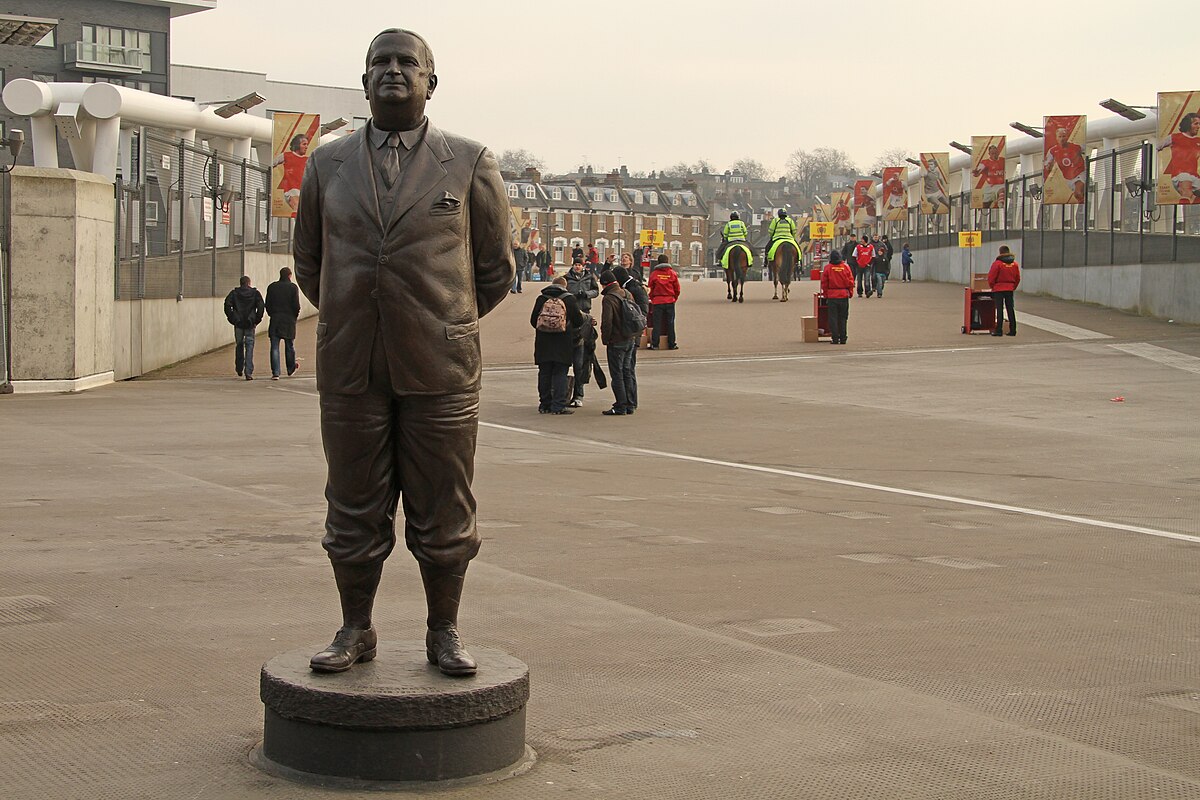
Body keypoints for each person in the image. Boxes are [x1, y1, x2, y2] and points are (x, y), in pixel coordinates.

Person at [293, 28, 515, 677]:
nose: (392, 71)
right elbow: (310, 263)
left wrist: (441, 323)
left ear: (430, 83)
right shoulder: (326, 164)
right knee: (352, 503)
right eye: (379, 63)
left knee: (444, 504)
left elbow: (495, 271)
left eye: (405, 63)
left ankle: (443, 630)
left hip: (441, 368)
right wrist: (357, 315)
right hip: (351, 366)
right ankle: (355, 628)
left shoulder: (471, 162)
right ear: (364, 82)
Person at [531, 276, 583, 414]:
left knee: (544, 373)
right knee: (560, 373)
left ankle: (544, 404)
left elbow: (533, 321)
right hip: (563, 341)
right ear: (565, 286)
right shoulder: (569, 299)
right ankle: (558, 406)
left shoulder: (541, 299)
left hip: (543, 342)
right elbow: (578, 321)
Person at [598, 269, 637, 416]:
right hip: (630, 338)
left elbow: (607, 322)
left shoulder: (609, 298)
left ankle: (620, 405)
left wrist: (605, 339)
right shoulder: (627, 293)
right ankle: (630, 404)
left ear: (604, 284)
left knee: (617, 374)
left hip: (617, 340)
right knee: (627, 371)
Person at [565, 257, 599, 407]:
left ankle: (579, 394)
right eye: (575, 265)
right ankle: (564, 392)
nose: (577, 267)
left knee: (581, 361)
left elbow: (596, 291)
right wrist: (573, 295)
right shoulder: (566, 278)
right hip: (570, 314)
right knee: (567, 360)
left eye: (579, 265)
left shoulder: (589, 277)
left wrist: (586, 294)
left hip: (585, 312)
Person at [613, 261, 646, 411]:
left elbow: (642, 313)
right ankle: (628, 400)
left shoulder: (636, 288)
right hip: (630, 333)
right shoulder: (628, 286)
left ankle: (631, 401)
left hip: (632, 333)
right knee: (626, 369)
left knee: (628, 369)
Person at [223, 275, 265, 380]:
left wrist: (232, 318)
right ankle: (248, 372)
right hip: (250, 323)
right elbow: (261, 307)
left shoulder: (234, 293)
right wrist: (257, 320)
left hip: (238, 323)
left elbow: (227, 305)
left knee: (239, 345)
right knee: (249, 346)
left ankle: (239, 367)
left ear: (241, 283)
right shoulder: (255, 293)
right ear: (249, 283)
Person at [265, 267, 301, 380]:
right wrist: (294, 316)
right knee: (289, 345)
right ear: (290, 275)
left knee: (274, 347)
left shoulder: (272, 287)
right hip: (289, 320)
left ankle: (276, 372)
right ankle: (290, 369)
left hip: (275, 319)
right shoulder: (293, 288)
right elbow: (296, 305)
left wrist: (272, 314)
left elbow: (268, 304)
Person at [1157, 112, 1200, 204]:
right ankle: (1186, 197)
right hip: (1181, 174)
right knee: (1186, 192)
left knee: (1193, 197)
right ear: (1188, 124)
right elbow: (1158, 146)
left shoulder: (1198, 141)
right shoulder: (1174, 137)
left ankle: (1192, 199)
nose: (1198, 126)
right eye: (1196, 124)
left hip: (1195, 176)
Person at [1043, 123, 1087, 203]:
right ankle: (1084, 204)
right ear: (1056, 138)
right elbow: (1047, 164)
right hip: (1068, 178)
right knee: (1078, 195)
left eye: (1064, 136)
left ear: (1067, 137)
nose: (1062, 138)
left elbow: (1085, 149)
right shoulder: (1053, 151)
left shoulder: (1076, 147)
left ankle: (1085, 206)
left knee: (1078, 192)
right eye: (1060, 137)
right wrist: (1048, 166)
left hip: (1080, 172)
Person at [647, 254, 680, 350]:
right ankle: (671, 344)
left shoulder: (654, 274)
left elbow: (650, 288)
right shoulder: (672, 273)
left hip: (657, 301)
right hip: (670, 300)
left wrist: (652, 298)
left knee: (657, 323)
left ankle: (655, 344)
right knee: (670, 323)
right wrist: (674, 298)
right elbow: (677, 289)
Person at [820, 250, 854, 345]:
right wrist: (850, 293)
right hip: (843, 294)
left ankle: (835, 338)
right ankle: (843, 338)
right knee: (843, 317)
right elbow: (850, 282)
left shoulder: (827, 268)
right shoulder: (846, 267)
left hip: (832, 295)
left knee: (833, 318)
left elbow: (824, 283)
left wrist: (826, 294)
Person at [987, 245, 1021, 337]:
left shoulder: (997, 264)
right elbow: (1018, 278)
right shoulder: (1015, 264)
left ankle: (999, 330)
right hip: (1010, 288)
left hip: (998, 288)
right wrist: (1013, 287)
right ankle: (1013, 330)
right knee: (1010, 309)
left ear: (1000, 253)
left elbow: (991, 277)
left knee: (1000, 309)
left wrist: (993, 286)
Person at [273, 132, 310, 213]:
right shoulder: (286, 155)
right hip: (291, 189)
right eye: (304, 144)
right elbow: (272, 164)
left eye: (307, 144)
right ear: (297, 145)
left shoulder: (308, 160)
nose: (306, 147)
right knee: (297, 208)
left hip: (303, 191)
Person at [972, 144, 1006, 209]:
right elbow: (978, 171)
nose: (994, 155)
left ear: (998, 153)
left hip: (1001, 185)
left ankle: (1001, 205)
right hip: (990, 186)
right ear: (989, 154)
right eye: (992, 153)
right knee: (985, 205)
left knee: (1002, 191)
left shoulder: (1002, 160)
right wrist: (976, 173)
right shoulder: (985, 162)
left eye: (995, 153)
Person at [871, 234, 889, 298]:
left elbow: (887, 265)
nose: (876, 238)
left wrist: (887, 271)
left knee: (882, 283)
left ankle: (879, 289)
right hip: (876, 265)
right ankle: (878, 291)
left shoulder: (882, 244)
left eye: (877, 237)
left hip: (883, 269)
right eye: (874, 237)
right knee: (876, 278)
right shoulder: (870, 244)